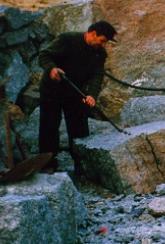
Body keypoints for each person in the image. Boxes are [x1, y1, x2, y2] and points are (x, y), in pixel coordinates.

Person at [38, 20, 117, 173]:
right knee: (49, 126)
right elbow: (44, 55)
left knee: (79, 128)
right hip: (51, 90)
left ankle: (83, 166)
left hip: (74, 92)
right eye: (102, 41)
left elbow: (97, 75)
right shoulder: (67, 39)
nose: (103, 45)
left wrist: (92, 95)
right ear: (93, 34)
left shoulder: (100, 53)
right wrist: (52, 69)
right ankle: (47, 163)